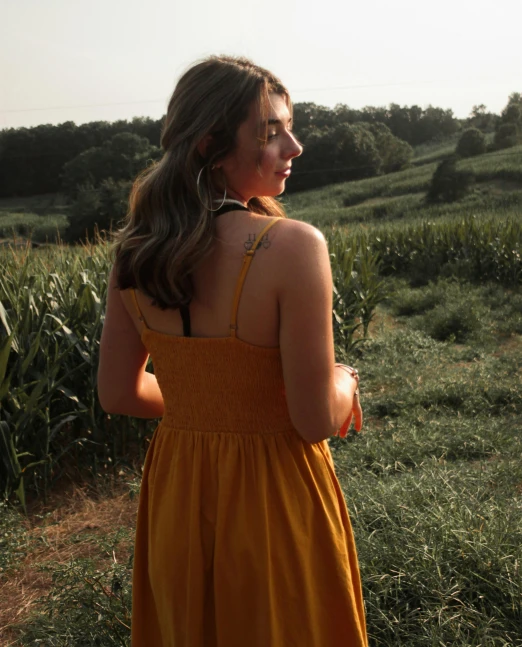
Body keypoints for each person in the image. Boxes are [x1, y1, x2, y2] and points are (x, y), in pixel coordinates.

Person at [97, 55, 367, 646]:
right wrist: (346, 380)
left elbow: (117, 393)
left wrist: (208, 407)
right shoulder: (292, 246)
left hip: (178, 492)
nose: (294, 147)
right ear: (209, 145)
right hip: (273, 498)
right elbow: (315, 417)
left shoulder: (134, 253)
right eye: (271, 134)